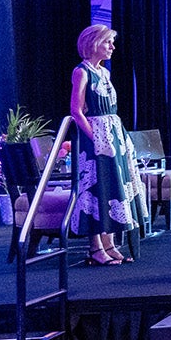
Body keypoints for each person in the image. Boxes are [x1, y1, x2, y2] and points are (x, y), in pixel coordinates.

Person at [66, 25, 141, 265]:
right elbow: (76, 111)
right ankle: (95, 247)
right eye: (108, 42)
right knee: (96, 190)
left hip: (114, 135)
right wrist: (94, 138)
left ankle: (109, 243)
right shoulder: (82, 71)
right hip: (96, 138)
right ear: (94, 43)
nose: (112, 47)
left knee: (113, 188)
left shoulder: (105, 73)